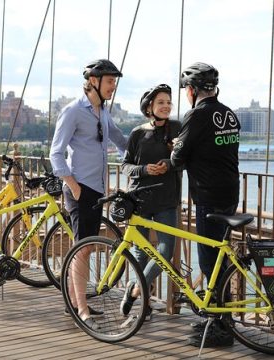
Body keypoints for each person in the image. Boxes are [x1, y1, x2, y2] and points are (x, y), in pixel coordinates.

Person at [49, 59, 127, 330]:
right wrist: (74, 185)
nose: (113, 86)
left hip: (96, 189)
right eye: (109, 81)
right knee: (82, 249)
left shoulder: (102, 112)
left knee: (85, 247)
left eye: (114, 82)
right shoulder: (73, 111)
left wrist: (153, 151)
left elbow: (122, 141)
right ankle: (81, 308)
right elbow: (55, 153)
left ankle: (75, 300)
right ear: (93, 81)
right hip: (81, 188)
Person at [170, 62, 241, 348]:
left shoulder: (197, 115)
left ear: (191, 90)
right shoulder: (229, 114)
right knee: (220, 258)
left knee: (209, 260)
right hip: (230, 192)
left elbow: (177, 158)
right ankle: (219, 318)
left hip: (207, 195)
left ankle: (220, 326)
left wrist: (176, 145)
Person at [119, 84, 182, 320]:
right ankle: (144, 303)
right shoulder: (137, 133)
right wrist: (145, 169)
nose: (166, 106)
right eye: (161, 103)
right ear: (149, 108)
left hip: (167, 200)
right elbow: (125, 166)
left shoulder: (178, 129)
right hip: (140, 200)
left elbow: (186, 160)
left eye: (168, 102)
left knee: (165, 251)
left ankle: (136, 290)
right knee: (141, 253)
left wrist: (170, 164)